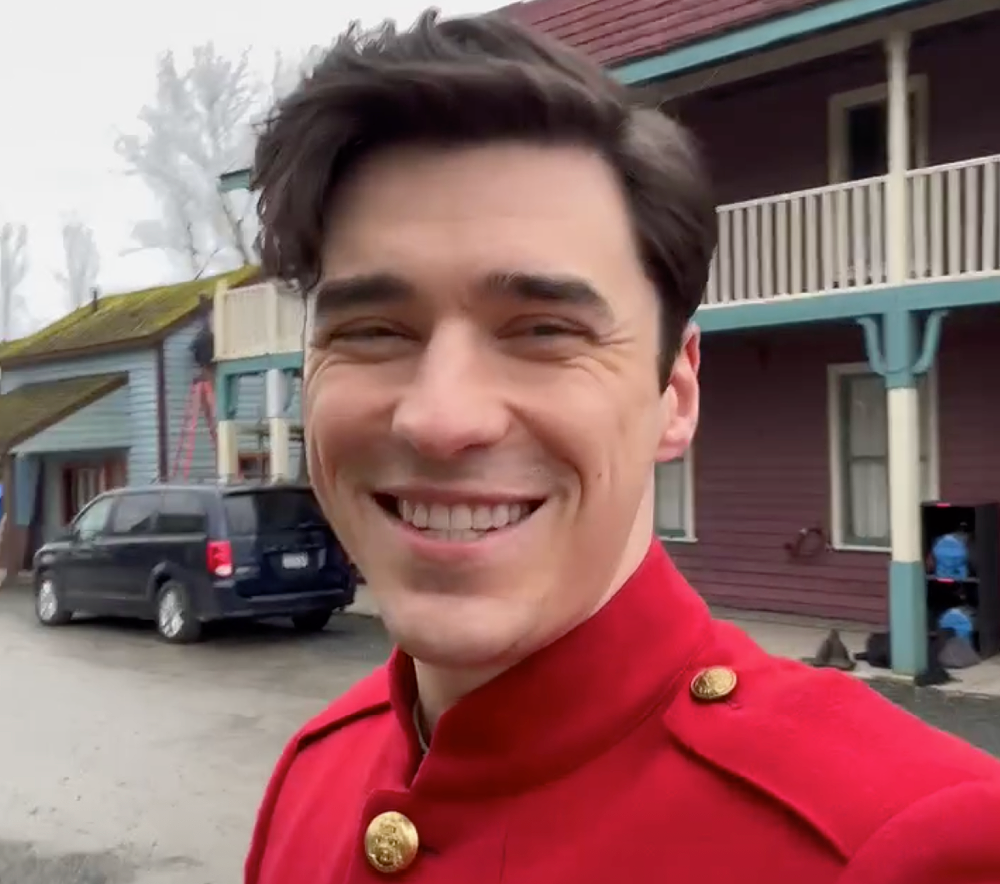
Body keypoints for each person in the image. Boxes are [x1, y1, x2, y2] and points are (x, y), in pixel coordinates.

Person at [244, 10, 1000, 884]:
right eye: (373, 331)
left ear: (674, 394)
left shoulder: (907, 844)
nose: (440, 419)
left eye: (543, 331)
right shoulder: (311, 775)